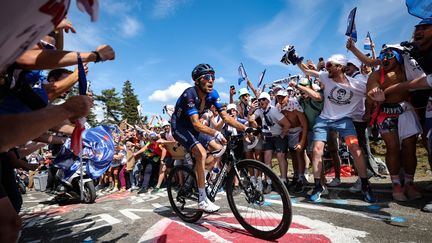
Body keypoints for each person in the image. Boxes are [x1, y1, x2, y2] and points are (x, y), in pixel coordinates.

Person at [296, 54, 375, 202]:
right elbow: (307, 72)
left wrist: (369, 111)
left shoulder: (357, 85)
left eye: (330, 65)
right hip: (324, 120)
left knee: (355, 148)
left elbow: (372, 96)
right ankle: (318, 185)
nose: (326, 68)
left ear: (339, 67)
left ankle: (365, 185)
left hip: (344, 121)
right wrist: (297, 61)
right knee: (316, 150)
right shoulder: (325, 77)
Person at [171, 63, 248, 213]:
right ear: (197, 81)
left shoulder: (213, 95)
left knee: (218, 149)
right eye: (206, 77)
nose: (211, 80)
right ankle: (202, 199)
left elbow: (226, 117)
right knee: (201, 152)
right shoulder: (190, 94)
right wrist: (216, 133)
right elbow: (196, 124)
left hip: (194, 127)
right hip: (180, 127)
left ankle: (201, 178)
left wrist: (246, 128)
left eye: (213, 77)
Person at [248, 92, 291, 191]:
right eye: (259, 100)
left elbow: (287, 124)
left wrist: (282, 135)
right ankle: (268, 182)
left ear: (268, 101)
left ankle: (284, 181)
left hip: (278, 135)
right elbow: (251, 120)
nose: (260, 101)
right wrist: (251, 110)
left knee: (280, 156)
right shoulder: (259, 110)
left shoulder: (274, 111)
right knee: (267, 157)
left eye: (263, 99)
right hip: (268, 137)